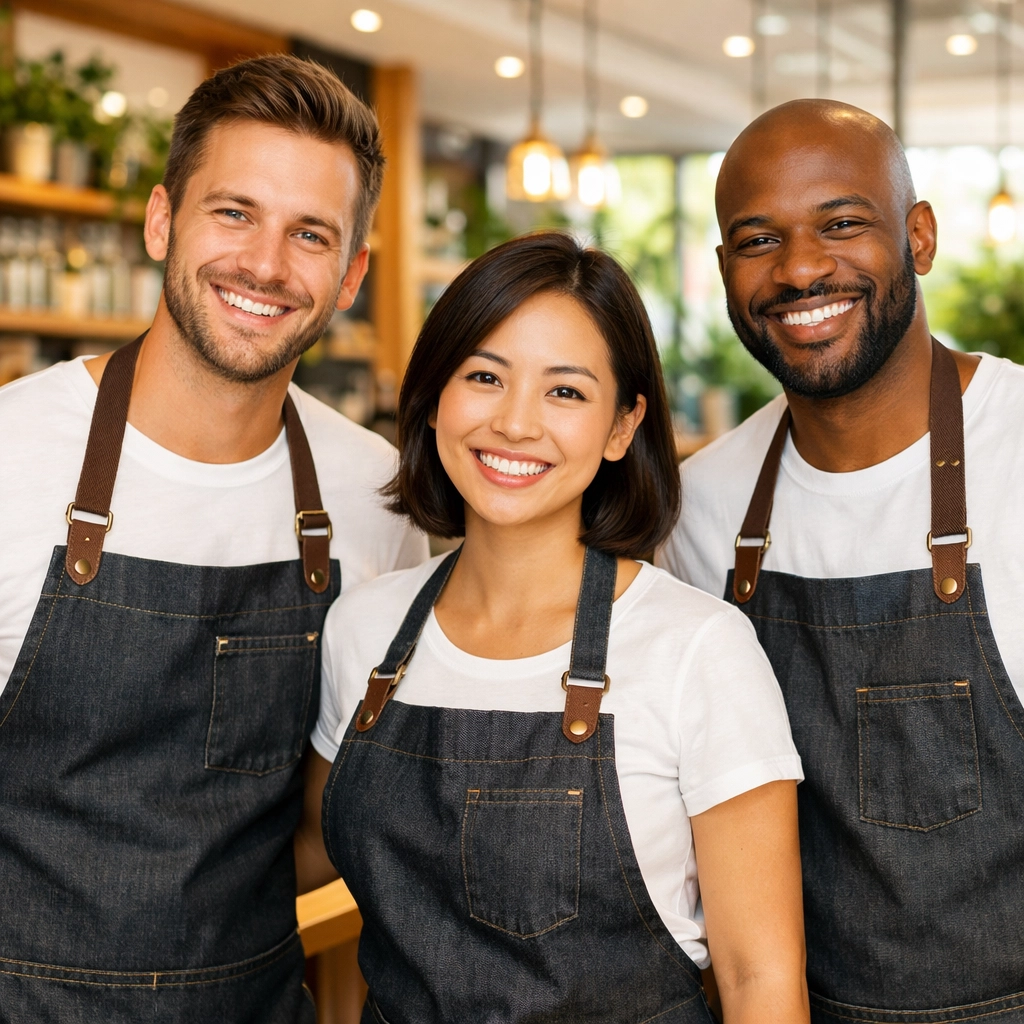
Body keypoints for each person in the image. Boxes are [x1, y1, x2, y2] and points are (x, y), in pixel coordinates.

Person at [0, 56, 426, 1023]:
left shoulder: (376, 497)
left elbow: (338, 806)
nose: (267, 266)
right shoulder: (11, 459)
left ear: (353, 275)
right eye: (233, 213)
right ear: (161, 221)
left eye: (310, 234)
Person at [296, 231, 809, 1024]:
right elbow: (305, 853)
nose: (514, 422)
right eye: (484, 376)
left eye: (564, 392)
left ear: (621, 426)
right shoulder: (364, 630)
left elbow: (760, 983)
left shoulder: (698, 650)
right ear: (433, 398)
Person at [658, 98, 1024, 1022]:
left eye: (842, 223)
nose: (802, 268)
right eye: (757, 240)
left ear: (920, 236)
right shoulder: (702, 509)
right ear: (723, 272)